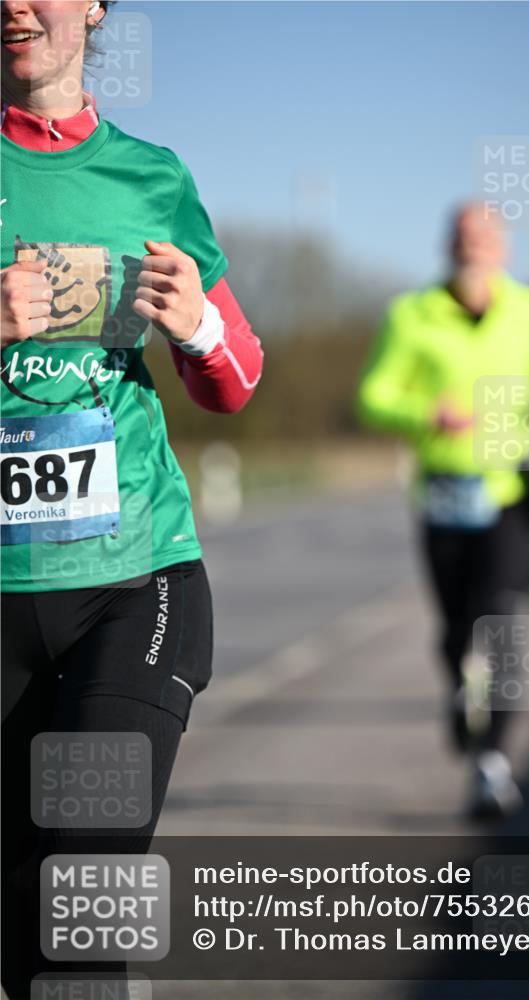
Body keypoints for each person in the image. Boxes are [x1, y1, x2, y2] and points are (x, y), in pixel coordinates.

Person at [0, 1, 263, 995]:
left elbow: (235, 380)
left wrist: (195, 326)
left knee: (79, 909)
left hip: (132, 580)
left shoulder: (153, 176)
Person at [357, 202, 529, 819]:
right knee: (456, 628)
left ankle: (492, 764)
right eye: (463, 236)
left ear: (502, 248)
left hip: (508, 489)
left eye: (485, 236)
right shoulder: (411, 314)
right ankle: (459, 684)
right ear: (446, 245)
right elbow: (373, 396)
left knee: (499, 620)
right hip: (444, 490)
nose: (474, 246)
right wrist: (427, 413)